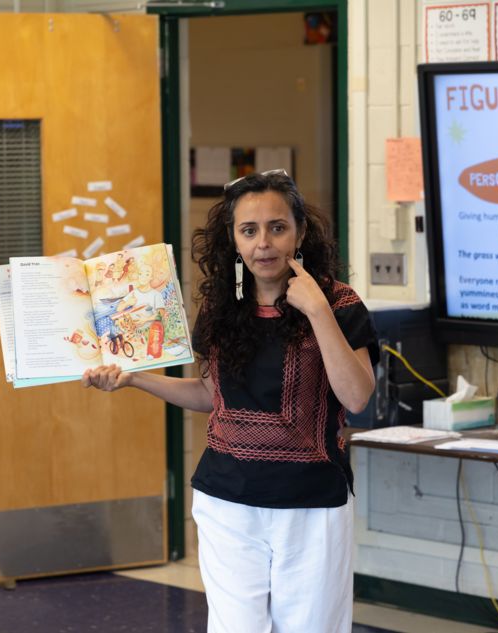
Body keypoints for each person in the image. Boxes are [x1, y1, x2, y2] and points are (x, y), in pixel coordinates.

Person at [82, 170, 379, 633]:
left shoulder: (338, 303)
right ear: (233, 240)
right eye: (249, 230)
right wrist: (135, 379)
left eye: (277, 227)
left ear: (300, 231)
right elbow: (210, 395)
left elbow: (357, 396)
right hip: (227, 500)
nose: (264, 242)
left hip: (311, 504)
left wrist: (317, 310)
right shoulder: (222, 306)